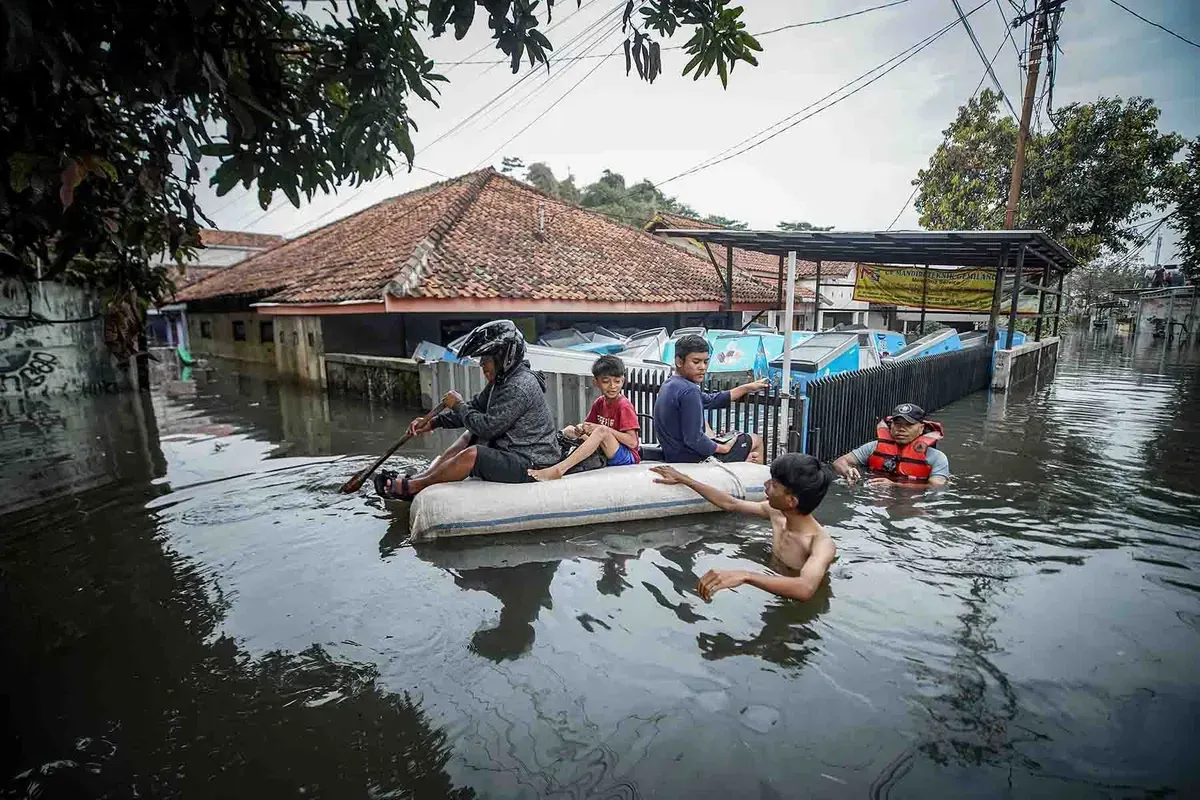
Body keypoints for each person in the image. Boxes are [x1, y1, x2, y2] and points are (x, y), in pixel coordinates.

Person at [374, 320, 560, 500]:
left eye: (486, 363)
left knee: (474, 454)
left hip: (533, 462)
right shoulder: (504, 380)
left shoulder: (519, 386)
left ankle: (416, 486)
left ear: (504, 358)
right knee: (468, 435)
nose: (483, 369)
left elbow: (488, 428)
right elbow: (476, 407)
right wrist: (433, 422)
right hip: (514, 449)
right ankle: (425, 476)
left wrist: (458, 405)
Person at [649, 454, 836, 601]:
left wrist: (746, 576)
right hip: (773, 588)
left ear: (791, 500)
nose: (766, 485)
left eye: (774, 485)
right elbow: (730, 503)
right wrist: (685, 479)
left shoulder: (820, 543)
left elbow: (805, 589)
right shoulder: (776, 513)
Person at [654, 334, 767, 464]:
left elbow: (710, 400)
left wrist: (746, 388)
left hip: (674, 454)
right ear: (679, 361)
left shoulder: (670, 384)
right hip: (694, 458)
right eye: (696, 362)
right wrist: (722, 448)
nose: (702, 367)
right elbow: (694, 439)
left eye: (705, 362)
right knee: (756, 440)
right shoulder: (690, 391)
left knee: (745, 453)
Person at [527, 354, 641, 481]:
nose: (612, 386)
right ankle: (539, 458)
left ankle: (559, 469)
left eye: (617, 381)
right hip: (605, 448)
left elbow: (632, 442)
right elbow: (589, 426)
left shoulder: (624, 405)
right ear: (596, 382)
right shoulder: (599, 402)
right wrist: (581, 429)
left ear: (623, 381)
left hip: (625, 456)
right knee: (570, 430)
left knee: (602, 431)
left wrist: (604, 429)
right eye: (605, 381)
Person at [831, 403, 949, 488]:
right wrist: (848, 471)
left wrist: (895, 485)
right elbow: (839, 462)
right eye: (897, 424)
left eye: (908, 425)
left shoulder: (936, 457)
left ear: (921, 428)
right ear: (890, 425)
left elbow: (936, 486)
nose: (901, 429)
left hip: (913, 504)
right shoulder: (873, 447)